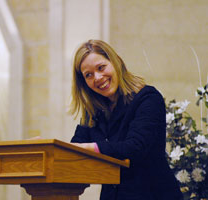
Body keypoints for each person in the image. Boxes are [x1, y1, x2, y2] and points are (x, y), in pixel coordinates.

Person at [69, 39, 183, 200]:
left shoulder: (148, 98)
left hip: (152, 194)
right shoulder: (93, 112)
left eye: (101, 68)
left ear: (116, 62)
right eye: (88, 75)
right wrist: (47, 148)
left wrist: (91, 148)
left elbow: (135, 147)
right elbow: (74, 149)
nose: (98, 77)